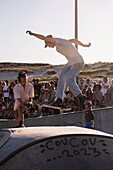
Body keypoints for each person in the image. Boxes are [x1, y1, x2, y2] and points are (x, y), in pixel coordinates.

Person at [26, 31, 91, 107]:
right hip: (71, 62)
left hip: (78, 62)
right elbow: (73, 40)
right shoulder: (61, 42)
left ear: (50, 40)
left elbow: (43, 37)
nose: (49, 47)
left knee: (69, 79)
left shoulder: (57, 40)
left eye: (48, 44)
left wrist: (33, 34)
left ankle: (81, 96)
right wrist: (84, 45)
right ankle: (59, 99)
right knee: (61, 78)